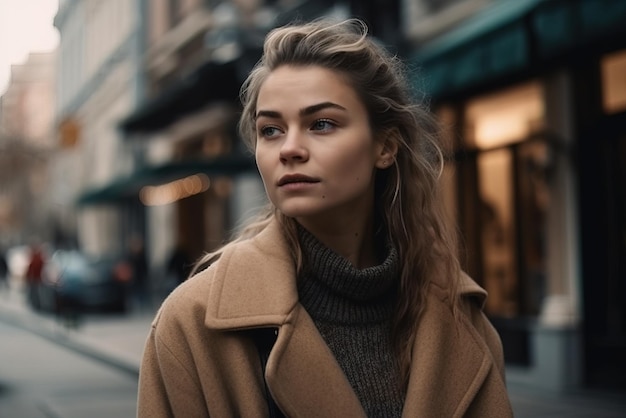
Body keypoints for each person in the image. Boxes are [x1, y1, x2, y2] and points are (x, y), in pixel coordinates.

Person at [138, 18, 513, 417]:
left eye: (321, 124)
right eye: (271, 130)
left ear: (384, 147)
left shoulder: (461, 315)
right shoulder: (191, 324)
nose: (290, 149)